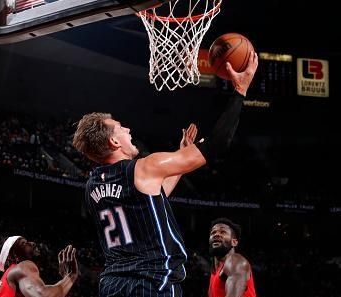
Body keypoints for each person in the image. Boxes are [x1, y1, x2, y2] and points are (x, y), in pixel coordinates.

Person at [72, 52, 258, 297]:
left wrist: (180, 156)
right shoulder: (144, 167)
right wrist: (240, 91)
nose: (127, 129)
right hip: (152, 282)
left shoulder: (92, 186)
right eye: (120, 127)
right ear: (114, 142)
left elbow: (152, 197)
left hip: (112, 286)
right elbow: (218, 144)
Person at [0, 236, 78, 297]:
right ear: (12, 256)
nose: (32, 243)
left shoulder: (5, 284)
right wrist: (71, 276)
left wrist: (65, 279)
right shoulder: (21, 267)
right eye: (24, 243)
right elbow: (43, 295)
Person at [208, 218, 257, 297]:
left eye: (223, 232)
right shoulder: (214, 272)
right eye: (213, 232)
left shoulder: (236, 262)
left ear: (234, 242)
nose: (216, 234)